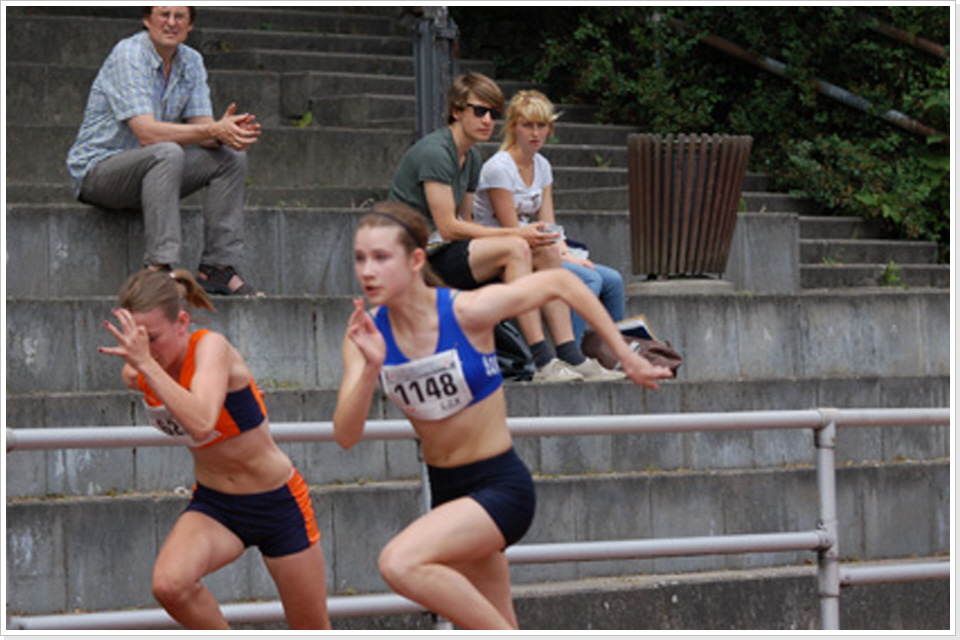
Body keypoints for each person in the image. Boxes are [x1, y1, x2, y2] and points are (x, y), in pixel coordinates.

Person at [333, 201, 674, 630]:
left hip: (498, 487)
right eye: (360, 258)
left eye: (381, 258)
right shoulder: (366, 335)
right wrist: (369, 371)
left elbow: (560, 284)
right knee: (499, 623)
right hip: (447, 493)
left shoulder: (464, 310)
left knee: (399, 563)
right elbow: (346, 435)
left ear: (416, 261)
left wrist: (628, 356)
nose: (367, 271)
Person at [98, 268, 330, 630]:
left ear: (182, 323)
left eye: (153, 338)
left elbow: (203, 421)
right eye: (137, 339)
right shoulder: (139, 370)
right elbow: (140, 377)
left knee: (311, 630)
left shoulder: (209, 347)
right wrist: (144, 365)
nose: (145, 350)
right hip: (216, 504)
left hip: (276, 503)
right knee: (170, 585)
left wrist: (145, 365)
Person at [388, 71, 620, 382]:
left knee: (547, 250)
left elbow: (466, 222)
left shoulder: (470, 157)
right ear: (456, 111)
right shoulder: (436, 152)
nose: (487, 120)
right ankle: (543, 362)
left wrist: (535, 240)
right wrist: (516, 233)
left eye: (493, 113)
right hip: (415, 261)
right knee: (516, 247)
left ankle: (570, 355)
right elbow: (449, 227)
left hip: (444, 250)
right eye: (479, 111)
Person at [67, 6, 262, 295]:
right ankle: (159, 268)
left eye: (179, 16)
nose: (171, 23)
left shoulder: (191, 61)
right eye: (163, 14)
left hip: (154, 177)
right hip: (99, 174)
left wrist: (227, 133)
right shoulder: (129, 54)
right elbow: (146, 133)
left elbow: (204, 130)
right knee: (167, 151)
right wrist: (212, 130)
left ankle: (218, 267)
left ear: (190, 25)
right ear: (147, 20)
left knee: (231, 157)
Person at [473, 90, 626, 346]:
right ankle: (571, 353)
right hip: (505, 250)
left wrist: (567, 254)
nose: (535, 133)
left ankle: (617, 353)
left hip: (539, 246)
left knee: (613, 280)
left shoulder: (542, 165)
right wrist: (564, 258)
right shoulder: (499, 168)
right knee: (589, 278)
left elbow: (549, 222)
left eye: (541, 126)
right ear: (513, 127)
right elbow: (513, 230)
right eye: (527, 125)